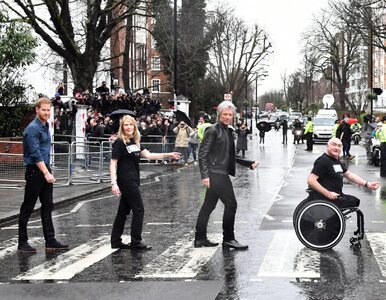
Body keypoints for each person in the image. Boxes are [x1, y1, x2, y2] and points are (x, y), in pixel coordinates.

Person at [194, 101, 258, 251]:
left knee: (208, 206)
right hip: (216, 174)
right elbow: (202, 154)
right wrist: (205, 175)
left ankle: (200, 238)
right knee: (231, 205)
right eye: (225, 114)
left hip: (220, 173)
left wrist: (248, 162)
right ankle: (228, 239)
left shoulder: (228, 131)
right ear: (219, 115)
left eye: (230, 115)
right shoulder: (213, 130)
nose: (228, 117)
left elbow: (230, 155)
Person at [110, 115, 180, 250]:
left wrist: (168, 154)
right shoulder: (120, 142)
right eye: (126, 125)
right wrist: (114, 183)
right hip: (126, 180)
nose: (128, 127)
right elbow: (113, 163)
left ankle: (115, 240)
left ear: (134, 127)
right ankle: (136, 242)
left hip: (134, 180)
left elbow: (149, 156)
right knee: (139, 209)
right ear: (122, 127)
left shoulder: (134, 142)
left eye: (131, 124)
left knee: (123, 212)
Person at [18, 97, 69, 253]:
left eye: (48, 110)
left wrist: (47, 170)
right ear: (37, 110)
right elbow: (35, 154)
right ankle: (22, 242)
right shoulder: (33, 129)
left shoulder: (45, 126)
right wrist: (46, 173)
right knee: (27, 207)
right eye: (44, 110)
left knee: (47, 206)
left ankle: (50, 240)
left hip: (45, 169)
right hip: (35, 171)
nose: (47, 113)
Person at [307, 138, 379, 208]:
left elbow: (349, 175)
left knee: (355, 201)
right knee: (354, 202)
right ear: (328, 146)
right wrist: (328, 194)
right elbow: (311, 180)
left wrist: (367, 184)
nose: (336, 148)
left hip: (336, 196)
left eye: (339, 146)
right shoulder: (323, 161)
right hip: (326, 199)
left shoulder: (336, 161)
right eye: (334, 145)